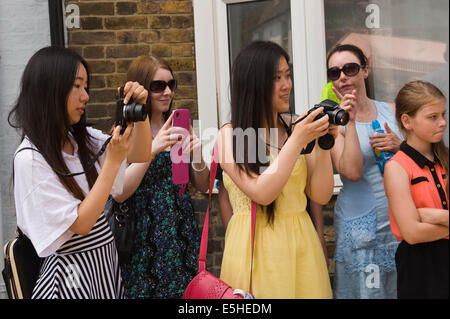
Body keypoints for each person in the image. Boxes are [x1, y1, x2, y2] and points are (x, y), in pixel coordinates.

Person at [8, 46, 152, 299]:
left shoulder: (79, 140)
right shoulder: (30, 159)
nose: (85, 96)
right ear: (50, 89)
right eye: (77, 86)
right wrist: (112, 162)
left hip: (102, 270)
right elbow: (82, 223)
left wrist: (141, 113)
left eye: (86, 87)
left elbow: (140, 154)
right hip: (70, 280)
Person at [218, 41, 335, 299]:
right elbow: (263, 193)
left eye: (288, 75)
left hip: (301, 246)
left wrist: (324, 144)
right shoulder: (232, 135)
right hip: (255, 251)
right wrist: (298, 139)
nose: (287, 85)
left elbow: (322, 194)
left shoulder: (296, 126)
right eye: (276, 78)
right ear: (254, 83)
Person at [113, 55, 209, 299]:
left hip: (181, 232)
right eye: (158, 86)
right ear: (143, 88)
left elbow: (202, 185)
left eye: (171, 85)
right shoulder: (126, 131)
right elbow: (121, 191)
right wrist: (152, 148)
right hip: (145, 237)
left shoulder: (177, 126)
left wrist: (196, 154)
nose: (167, 92)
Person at [327, 44, 403, 298]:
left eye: (349, 68)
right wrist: (348, 122)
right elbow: (350, 172)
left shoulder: (389, 110)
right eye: (334, 72)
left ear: (365, 70)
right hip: (361, 229)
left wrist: (399, 146)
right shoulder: (334, 124)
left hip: (396, 223)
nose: (343, 77)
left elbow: (418, 161)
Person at [384, 80, 449, 299]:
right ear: (407, 121)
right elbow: (412, 233)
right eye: (433, 117)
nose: (442, 122)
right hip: (420, 269)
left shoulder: (446, 160)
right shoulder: (397, 167)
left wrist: (433, 215)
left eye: (443, 114)